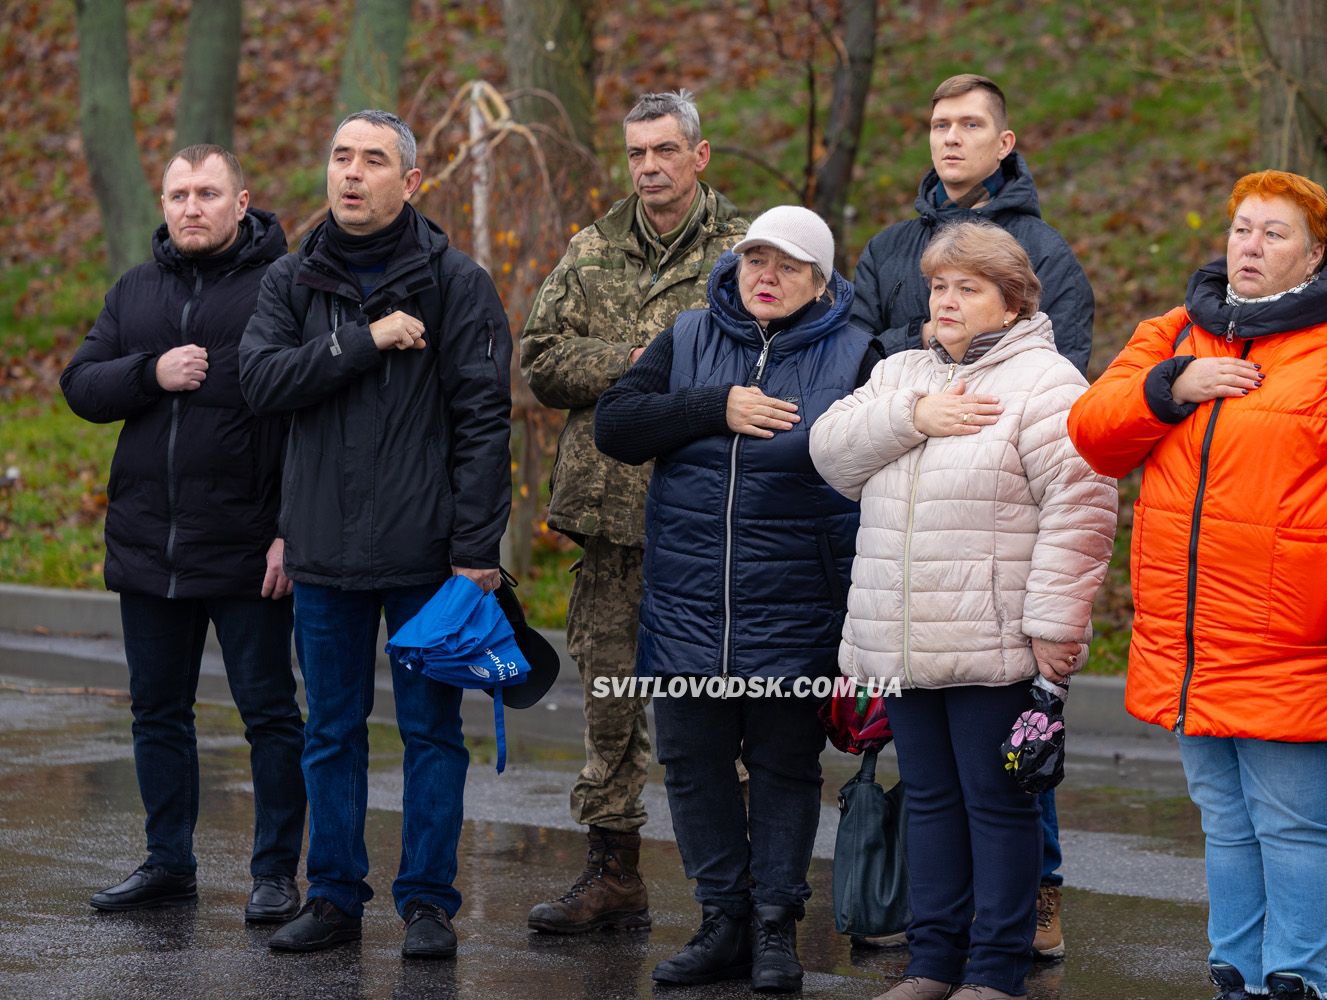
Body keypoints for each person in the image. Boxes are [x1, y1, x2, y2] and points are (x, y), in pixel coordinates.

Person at [1067, 170, 1327, 1000]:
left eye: (1274, 233)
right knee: (1226, 822)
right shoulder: (1175, 333)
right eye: (1241, 229)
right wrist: (1171, 388)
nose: (1250, 246)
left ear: (1314, 254)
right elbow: (1094, 433)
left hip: (1300, 636)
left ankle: (1299, 982)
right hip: (1193, 635)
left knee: (1293, 824)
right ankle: (1238, 975)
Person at [810, 221, 1117, 1000]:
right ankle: (933, 965)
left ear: (1012, 303)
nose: (945, 300)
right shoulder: (903, 373)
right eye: (939, 285)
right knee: (932, 804)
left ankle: (994, 972)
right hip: (906, 637)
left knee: (997, 806)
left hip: (994, 636)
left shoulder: (1048, 384)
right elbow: (830, 451)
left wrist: (1054, 625)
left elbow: (1080, 509)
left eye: (967, 288)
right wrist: (916, 416)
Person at [239, 110, 511, 959]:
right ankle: (333, 899)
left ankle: (428, 904)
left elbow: (482, 422)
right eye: (340, 158)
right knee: (332, 730)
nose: (351, 174)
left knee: (431, 734)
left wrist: (475, 555)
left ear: (412, 182)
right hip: (322, 551)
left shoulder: (455, 281)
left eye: (373, 161)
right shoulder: (291, 281)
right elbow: (260, 383)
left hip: (427, 558)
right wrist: (363, 340)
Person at [595, 206, 880, 992]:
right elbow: (616, 425)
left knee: (785, 766)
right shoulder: (687, 336)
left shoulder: (860, 353)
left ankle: (774, 930)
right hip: (687, 605)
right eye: (756, 258)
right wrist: (710, 405)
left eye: (788, 265)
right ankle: (721, 919)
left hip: (797, 602)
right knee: (691, 764)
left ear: (820, 282)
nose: (767, 275)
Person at [850, 73, 1092, 953]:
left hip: (995, 518)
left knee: (1008, 773)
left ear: (1006, 140)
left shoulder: (1046, 253)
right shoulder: (886, 248)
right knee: (938, 777)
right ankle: (938, 931)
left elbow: (1064, 382)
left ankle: (1035, 901)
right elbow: (861, 351)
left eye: (970, 125)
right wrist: (914, 399)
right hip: (910, 511)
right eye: (938, 123)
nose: (950, 138)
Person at [519, 90, 746, 934]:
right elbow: (539, 360)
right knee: (610, 694)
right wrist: (635, 361)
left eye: (663, 150)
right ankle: (613, 872)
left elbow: (768, 354)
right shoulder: (592, 250)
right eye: (635, 154)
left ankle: (740, 895)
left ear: (699, 154)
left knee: (723, 705)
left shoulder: (746, 249)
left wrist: (675, 376)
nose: (648, 168)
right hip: (609, 515)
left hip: (711, 517)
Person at [60, 144, 306, 924]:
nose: (191, 206)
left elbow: (312, 420)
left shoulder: (286, 286)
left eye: (207, 192)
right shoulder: (135, 290)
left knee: (269, 712)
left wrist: (288, 532)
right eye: (178, 193)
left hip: (248, 547)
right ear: (162, 205)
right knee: (156, 711)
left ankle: (275, 875)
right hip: (148, 546)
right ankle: (168, 863)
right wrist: (150, 372)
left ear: (242, 202)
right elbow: (80, 384)